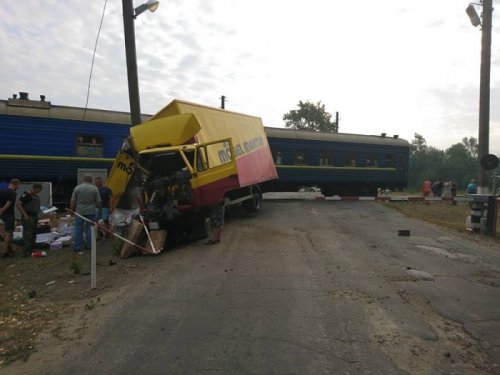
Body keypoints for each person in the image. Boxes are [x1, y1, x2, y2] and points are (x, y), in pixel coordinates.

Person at [70, 174, 102, 253]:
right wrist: (100, 210)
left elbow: (73, 200)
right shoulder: (94, 189)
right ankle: (89, 246)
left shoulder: (77, 188)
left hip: (79, 211)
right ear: (91, 180)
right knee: (90, 229)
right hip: (91, 211)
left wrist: (71, 210)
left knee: (78, 229)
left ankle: (77, 247)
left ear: (83, 180)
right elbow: (99, 201)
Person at [16, 183, 43, 257]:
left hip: (34, 216)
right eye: (40, 190)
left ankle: (31, 249)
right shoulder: (27, 194)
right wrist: (25, 214)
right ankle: (26, 251)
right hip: (28, 215)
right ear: (36, 188)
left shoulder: (36, 196)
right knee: (28, 234)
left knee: (33, 233)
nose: (40, 191)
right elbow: (18, 204)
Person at [0, 179, 21, 258]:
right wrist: (2, 211)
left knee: (8, 232)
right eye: (18, 186)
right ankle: (5, 252)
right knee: (9, 232)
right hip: (8, 214)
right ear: (16, 185)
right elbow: (8, 204)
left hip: (2, 213)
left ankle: (9, 247)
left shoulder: (1, 191)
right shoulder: (12, 193)